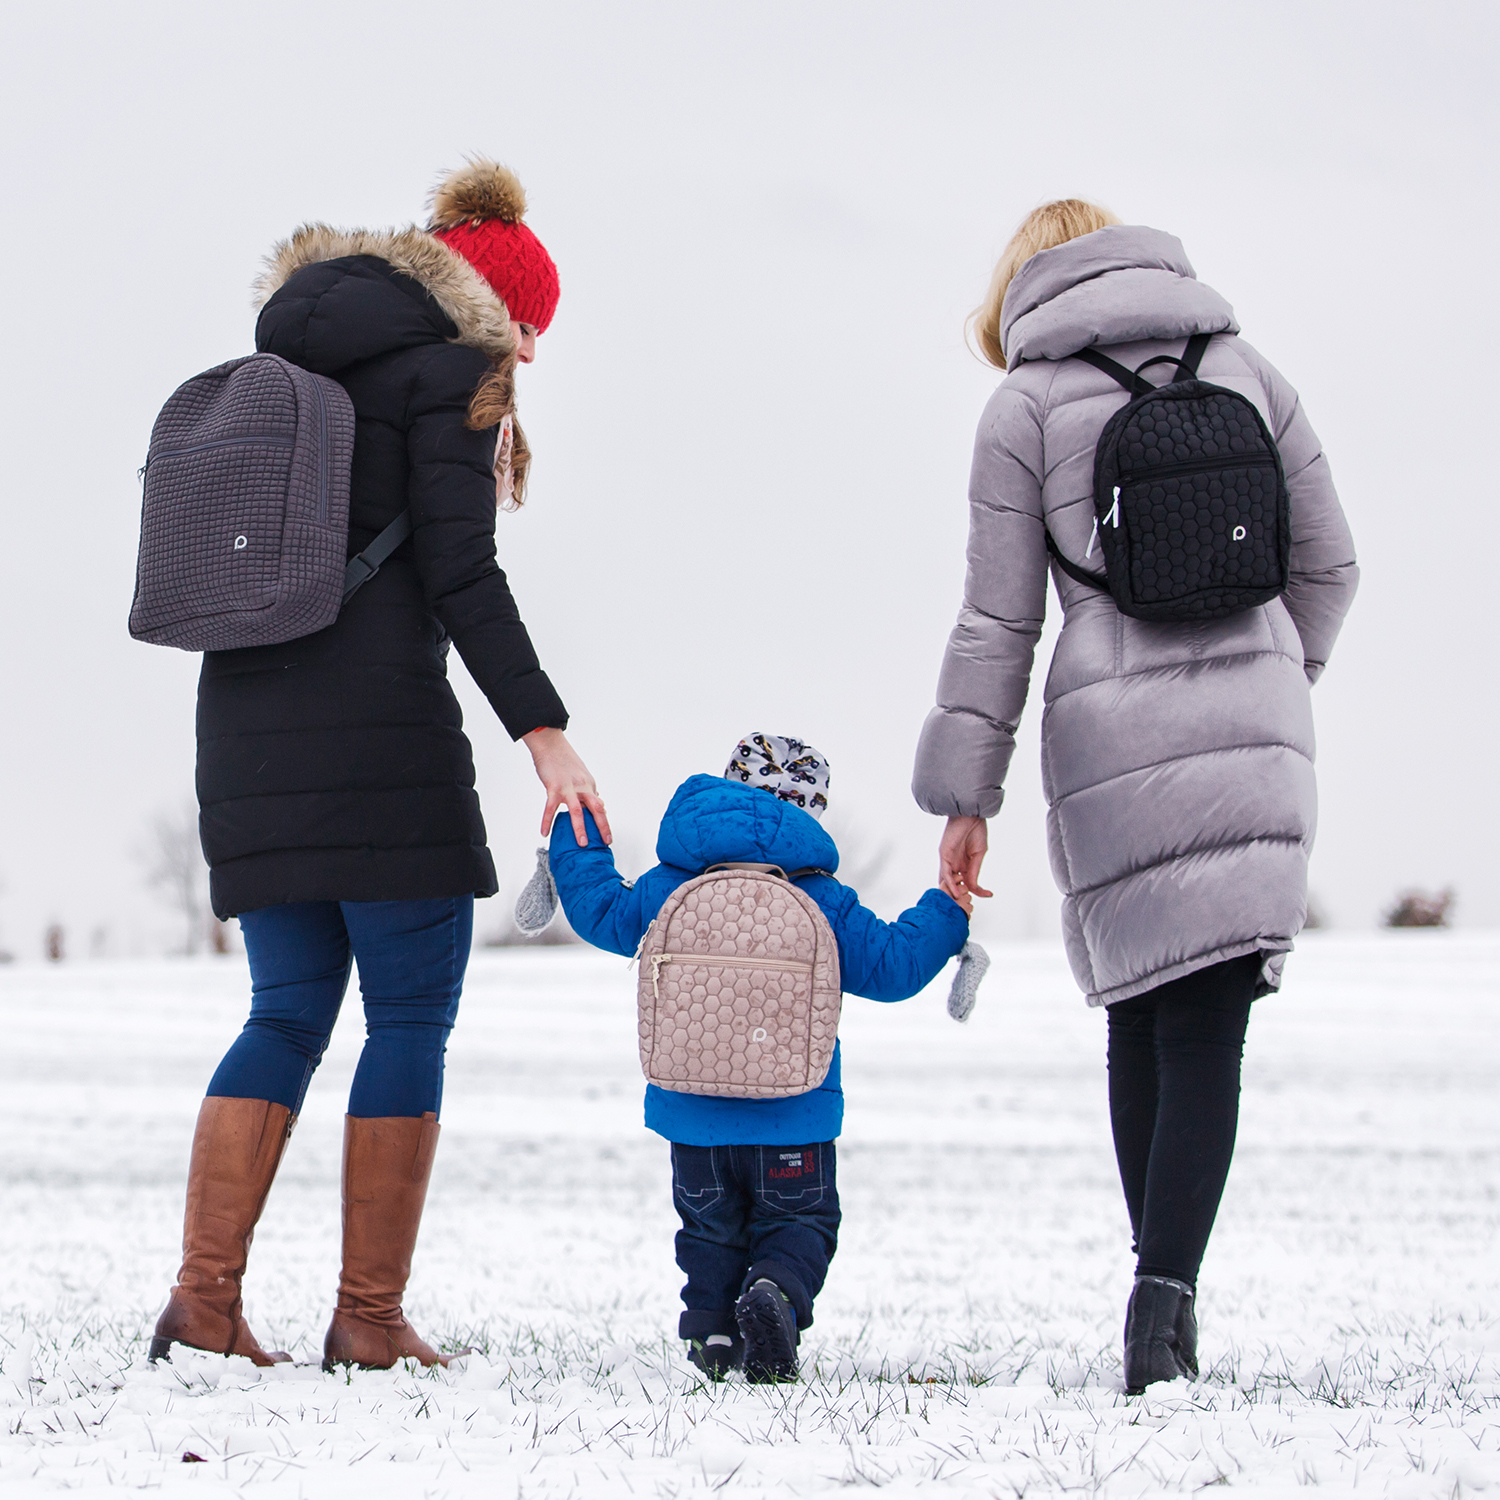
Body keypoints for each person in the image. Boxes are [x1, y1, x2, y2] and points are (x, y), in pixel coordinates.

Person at [150, 159, 610, 1371]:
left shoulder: (279, 368)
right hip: (380, 732)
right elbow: (462, 574)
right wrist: (544, 731)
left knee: (286, 1009)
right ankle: (366, 1316)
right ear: (488, 308)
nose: (531, 353)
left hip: (242, 726)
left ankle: (205, 1303)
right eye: (528, 327)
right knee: (409, 1011)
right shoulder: (453, 376)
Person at [912, 202, 1358, 1393]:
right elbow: (1332, 564)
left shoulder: (1026, 406)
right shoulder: (1251, 371)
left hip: (1109, 728)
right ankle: (1165, 1302)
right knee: (1213, 1020)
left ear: (1022, 291)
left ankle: (1154, 1304)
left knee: (1140, 1010)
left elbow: (999, 616)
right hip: (1260, 723)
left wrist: (967, 793)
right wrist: (1270, 675)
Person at [549, 734, 970, 1381]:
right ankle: (773, 1290)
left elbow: (598, 908)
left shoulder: (671, 883)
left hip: (691, 1115)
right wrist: (947, 909)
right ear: (809, 814)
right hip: (793, 1112)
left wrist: (573, 836)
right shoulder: (820, 897)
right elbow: (895, 966)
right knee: (801, 1222)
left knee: (709, 1233)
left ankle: (712, 1336)